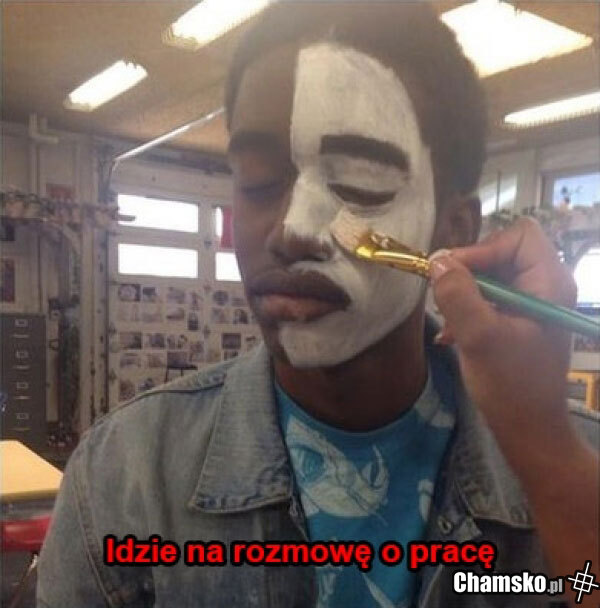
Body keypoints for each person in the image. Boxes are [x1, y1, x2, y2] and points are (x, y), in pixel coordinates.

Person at [37, 3, 599, 607]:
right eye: (258, 181)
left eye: (360, 185)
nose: (292, 230)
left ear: (453, 228)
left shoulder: (572, 461)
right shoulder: (125, 476)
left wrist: (548, 460)